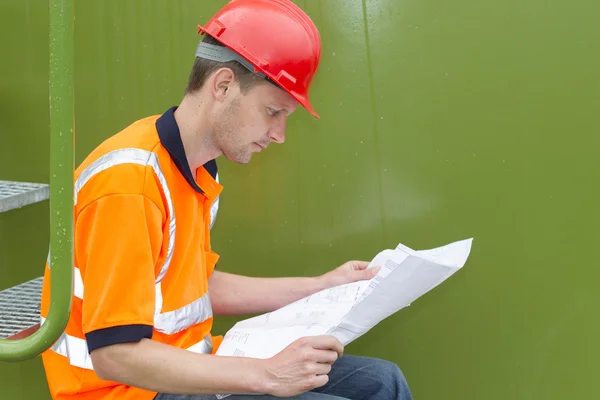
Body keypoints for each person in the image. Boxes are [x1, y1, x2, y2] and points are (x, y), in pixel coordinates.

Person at [39, 1, 413, 399]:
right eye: (273, 112)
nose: (280, 133)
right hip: (125, 390)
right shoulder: (129, 186)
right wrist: (266, 374)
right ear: (222, 86)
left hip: (183, 363)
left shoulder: (194, 168)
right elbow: (115, 355)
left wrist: (321, 286)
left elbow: (197, 286)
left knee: (382, 383)